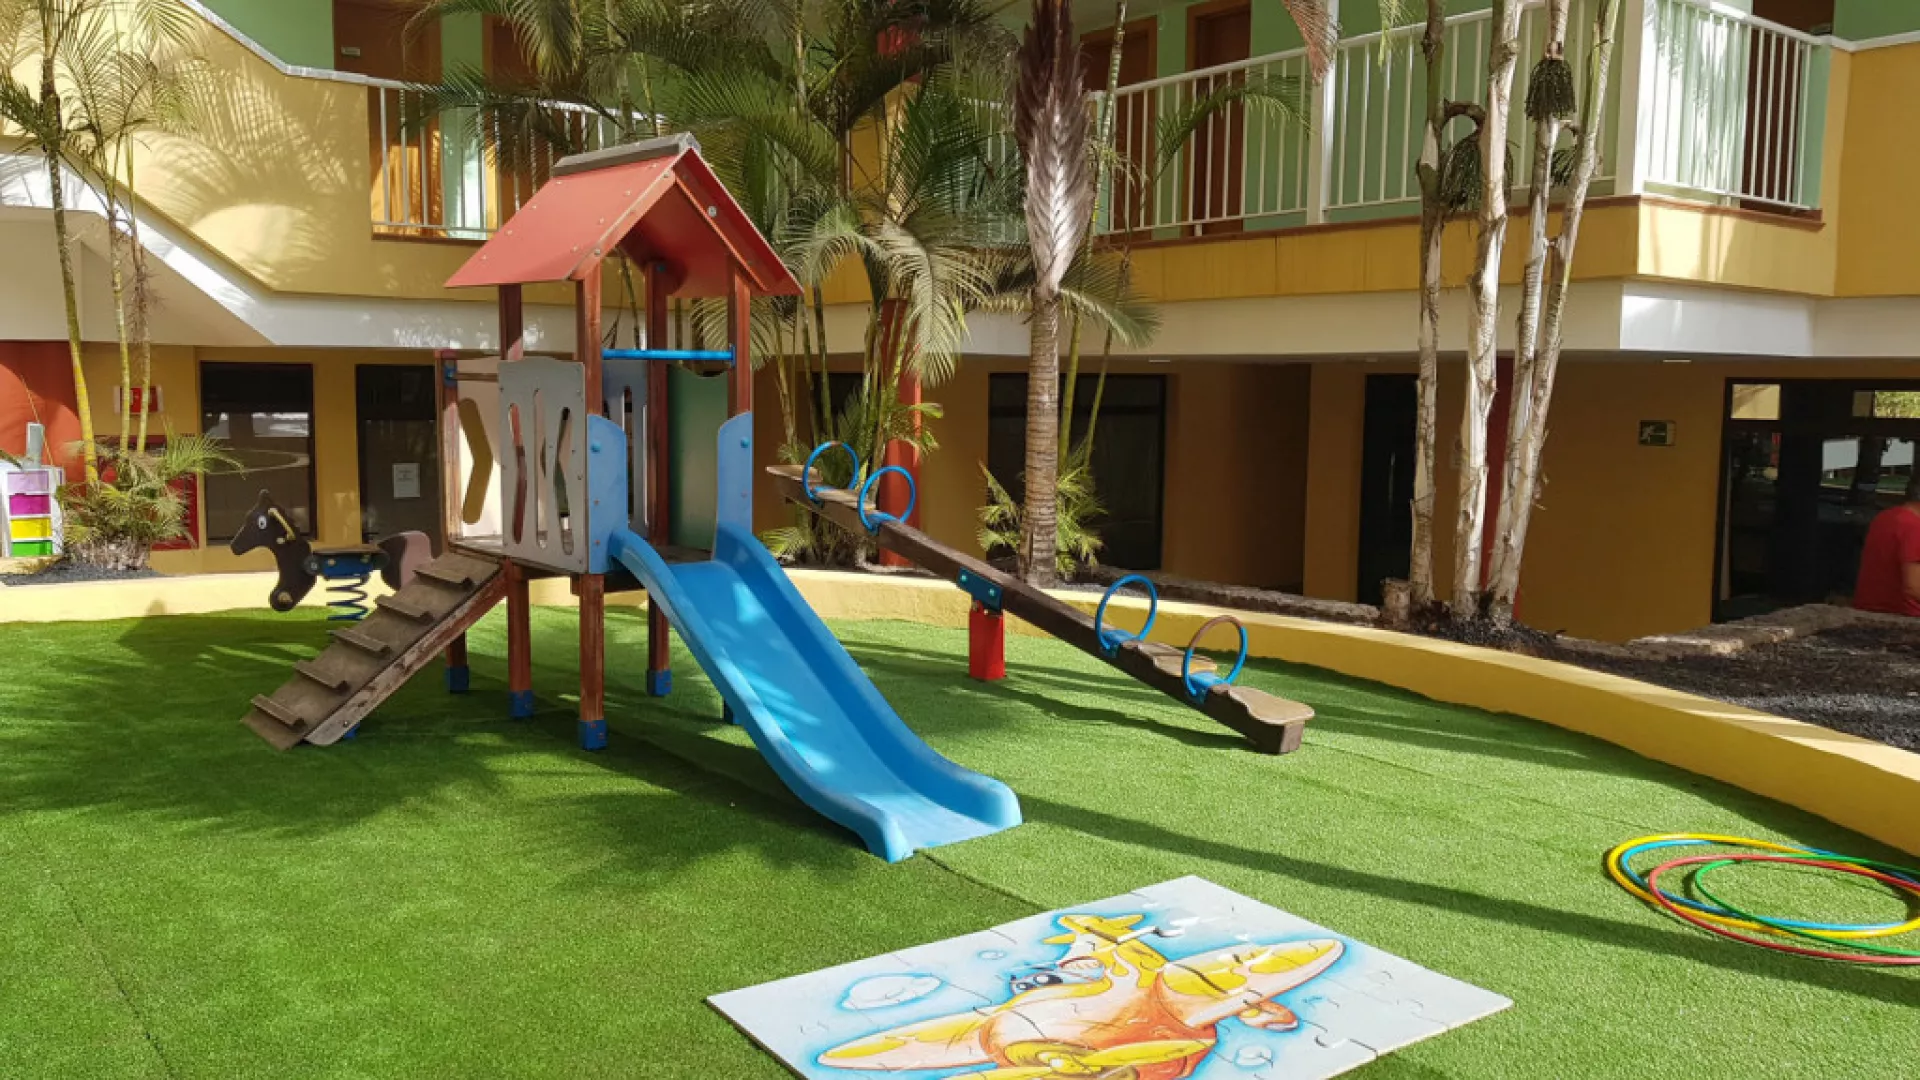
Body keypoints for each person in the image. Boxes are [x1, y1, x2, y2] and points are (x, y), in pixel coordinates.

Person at [1854, 473, 1920, 617]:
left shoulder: (1884, 517)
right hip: (1904, 617)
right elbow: (1914, 588)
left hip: (1868, 612)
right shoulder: (1914, 528)